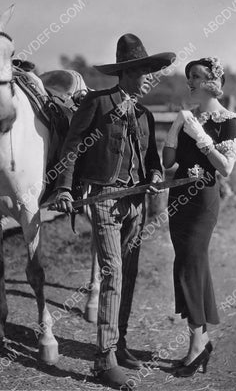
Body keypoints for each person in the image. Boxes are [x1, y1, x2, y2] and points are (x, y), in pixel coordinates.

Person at [54, 34, 175, 389]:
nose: (147, 79)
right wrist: (63, 186)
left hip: (136, 201)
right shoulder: (98, 103)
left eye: (150, 72)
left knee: (129, 271)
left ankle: (119, 344)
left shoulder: (145, 114)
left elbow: (152, 158)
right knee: (113, 273)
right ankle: (103, 359)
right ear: (124, 74)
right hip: (104, 198)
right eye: (142, 72)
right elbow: (72, 146)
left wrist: (154, 175)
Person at [163, 57, 236, 377]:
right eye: (189, 76)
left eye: (196, 76)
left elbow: (225, 168)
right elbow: (169, 163)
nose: (190, 82)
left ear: (213, 81)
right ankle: (202, 337)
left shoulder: (228, 119)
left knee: (190, 265)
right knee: (185, 264)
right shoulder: (186, 116)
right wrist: (175, 130)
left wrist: (201, 137)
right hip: (178, 200)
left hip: (203, 204)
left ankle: (197, 341)